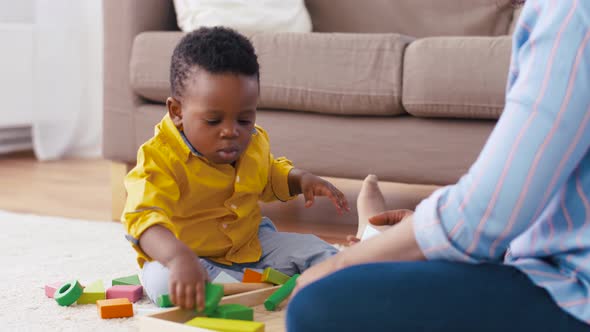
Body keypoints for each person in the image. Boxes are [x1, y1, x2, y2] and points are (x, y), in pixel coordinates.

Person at [287, 1, 590, 331]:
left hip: (576, 293)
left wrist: (339, 264)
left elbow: (488, 213)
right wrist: (423, 235)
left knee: (320, 303)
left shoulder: (572, 11)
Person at [121, 27, 349, 311]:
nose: (231, 132)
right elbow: (143, 217)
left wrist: (298, 179)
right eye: (214, 121)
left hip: (251, 243)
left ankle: (246, 285)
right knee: (162, 284)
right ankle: (252, 285)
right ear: (177, 112)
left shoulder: (254, 141)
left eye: (244, 119)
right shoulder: (159, 157)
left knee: (321, 253)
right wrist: (179, 258)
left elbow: (267, 176)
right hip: (185, 255)